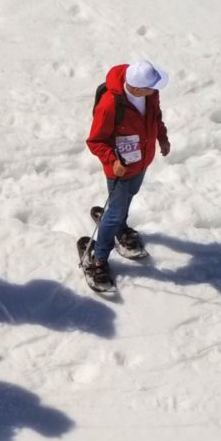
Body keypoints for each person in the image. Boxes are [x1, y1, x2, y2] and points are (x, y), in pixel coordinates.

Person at [80, 59, 170, 292]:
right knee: (116, 210)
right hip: (119, 169)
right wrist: (113, 160)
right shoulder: (110, 105)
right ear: (136, 88)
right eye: (152, 86)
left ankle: (118, 225)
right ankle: (99, 257)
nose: (156, 89)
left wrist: (162, 137)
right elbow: (95, 141)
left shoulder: (150, 95)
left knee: (129, 196)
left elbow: (156, 118)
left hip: (141, 162)